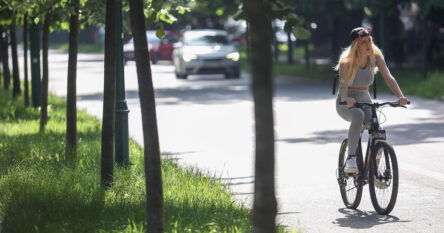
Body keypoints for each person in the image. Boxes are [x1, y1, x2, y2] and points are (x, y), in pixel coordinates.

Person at [334, 27, 409, 174]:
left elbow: (389, 78)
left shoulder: (376, 58)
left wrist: (400, 96)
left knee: (378, 132)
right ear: (356, 45)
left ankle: (374, 171)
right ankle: (351, 159)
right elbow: (343, 83)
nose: (368, 45)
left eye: (369, 41)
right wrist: (345, 98)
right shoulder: (346, 62)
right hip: (345, 101)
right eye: (363, 42)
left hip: (364, 98)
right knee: (358, 115)